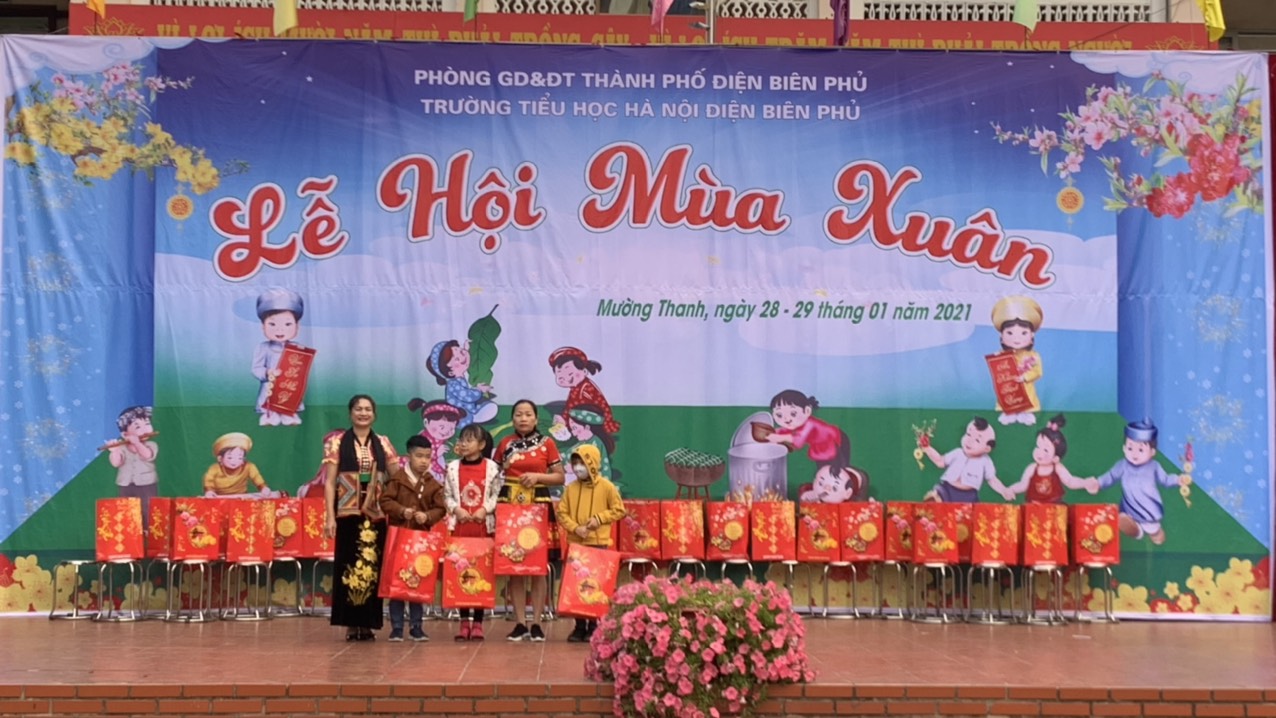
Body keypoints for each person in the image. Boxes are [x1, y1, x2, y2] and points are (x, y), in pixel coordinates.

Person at [322, 394, 398, 642]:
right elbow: (330, 482)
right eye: (358, 409)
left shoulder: (383, 443)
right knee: (348, 563)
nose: (363, 413)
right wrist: (330, 517)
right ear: (350, 413)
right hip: (347, 511)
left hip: (375, 512)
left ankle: (367, 624)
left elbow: (396, 475)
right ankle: (350, 624)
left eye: (368, 409)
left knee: (373, 565)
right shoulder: (337, 442)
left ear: (374, 414)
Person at [494, 400, 565, 642]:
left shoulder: (547, 444)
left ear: (535, 418)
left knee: (537, 566)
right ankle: (519, 623)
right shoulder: (505, 443)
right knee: (514, 565)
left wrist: (537, 477)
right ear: (512, 419)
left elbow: (559, 477)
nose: (523, 418)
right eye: (518, 414)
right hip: (510, 506)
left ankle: (536, 623)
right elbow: (493, 476)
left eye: (527, 414)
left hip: (538, 506)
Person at [380, 434, 447, 642]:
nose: (423, 461)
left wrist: (427, 516)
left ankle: (417, 627)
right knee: (397, 584)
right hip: (399, 538)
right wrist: (401, 511)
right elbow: (385, 501)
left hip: (421, 540)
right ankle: (397, 627)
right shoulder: (397, 480)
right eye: (419, 456)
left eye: (427, 457)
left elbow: (441, 508)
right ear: (408, 456)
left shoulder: (432, 483)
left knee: (418, 581)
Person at [556, 444, 625, 642]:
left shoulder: (607, 487)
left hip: (598, 543)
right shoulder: (571, 488)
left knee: (595, 584)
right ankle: (579, 626)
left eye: (583, 462)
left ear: (593, 463)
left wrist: (599, 519)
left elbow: (619, 509)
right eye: (575, 462)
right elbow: (562, 513)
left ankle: (594, 625)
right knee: (577, 584)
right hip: (576, 545)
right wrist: (575, 528)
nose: (578, 467)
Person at [443, 424, 503, 641]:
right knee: (460, 570)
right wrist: (456, 509)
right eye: (463, 440)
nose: (465, 444)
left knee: (481, 572)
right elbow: (447, 495)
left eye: (470, 440)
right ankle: (463, 622)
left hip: (483, 527)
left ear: (482, 444)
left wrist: (484, 509)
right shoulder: (452, 468)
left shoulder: (492, 468)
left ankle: (478, 622)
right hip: (460, 527)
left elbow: (497, 495)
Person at [1090, 419, 1189, 545]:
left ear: (1152, 452)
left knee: (1152, 527)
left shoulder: (1154, 466)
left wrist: (1177, 480)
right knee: (1126, 519)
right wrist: (1098, 483)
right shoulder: (1122, 465)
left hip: (1149, 505)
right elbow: (1111, 476)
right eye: (1130, 448)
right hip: (1130, 505)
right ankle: (1136, 531)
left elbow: (1165, 480)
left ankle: (1155, 532)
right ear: (1124, 448)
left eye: (1141, 450)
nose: (1134, 454)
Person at [1005, 415, 1099, 503]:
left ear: (1056, 458)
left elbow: (1070, 481)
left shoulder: (1058, 468)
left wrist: (1085, 483)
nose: (1039, 452)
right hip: (1034, 507)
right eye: (1038, 446)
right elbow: (1022, 485)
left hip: (1055, 508)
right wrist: (1011, 489)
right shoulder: (1032, 468)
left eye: (1046, 450)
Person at [920, 417, 1015, 503]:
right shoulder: (957, 453)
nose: (969, 441)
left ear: (987, 448)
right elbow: (940, 461)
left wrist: (1003, 490)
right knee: (937, 496)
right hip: (946, 489)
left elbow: (992, 480)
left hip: (968, 496)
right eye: (968, 434)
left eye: (977, 440)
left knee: (971, 511)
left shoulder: (985, 461)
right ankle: (934, 503)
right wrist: (927, 448)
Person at [252, 288, 306, 427]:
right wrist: (267, 373)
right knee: (270, 407)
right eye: (272, 324)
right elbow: (256, 368)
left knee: (289, 403)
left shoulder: (297, 348)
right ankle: (270, 416)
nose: (280, 329)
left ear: (297, 326)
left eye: (287, 324)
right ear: (263, 326)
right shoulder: (263, 347)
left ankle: (289, 415)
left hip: (288, 387)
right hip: (269, 386)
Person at [991, 295, 1043, 426]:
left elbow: (1038, 372)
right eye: (1010, 333)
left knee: (1027, 397)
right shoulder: (1002, 355)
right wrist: (996, 361)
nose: (1016, 338)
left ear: (1031, 335)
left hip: (1025, 387)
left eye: (1023, 333)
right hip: (1008, 389)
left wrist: (1025, 377)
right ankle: (1009, 413)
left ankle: (1025, 413)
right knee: (1008, 397)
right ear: (1002, 336)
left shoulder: (1033, 356)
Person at [426, 339, 498, 428]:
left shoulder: (459, 379)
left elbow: (465, 358)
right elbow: (466, 396)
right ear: (450, 372)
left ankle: (476, 414)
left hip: (469, 408)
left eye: (460, 351)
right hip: (461, 414)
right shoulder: (453, 384)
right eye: (457, 359)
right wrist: (479, 390)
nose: (463, 355)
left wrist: (465, 349)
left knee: (489, 406)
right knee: (487, 408)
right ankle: (473, 418)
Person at [550, 347, 621, 435]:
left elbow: (578, 410)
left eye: (570, 373)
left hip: (597, 422)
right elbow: (570, 407)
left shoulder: (586, 389)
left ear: (584, 371)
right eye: (559, 375)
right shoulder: (576, 388)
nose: (565, 378)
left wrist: (565, 422)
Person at [107, 405, 158, 520]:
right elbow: (116, 463)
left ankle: (147, 529)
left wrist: (137, 443)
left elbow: (148, 455)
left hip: (147, 484)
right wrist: (114, 451)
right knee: (126, 510)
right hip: (126, 484)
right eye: (138, 427)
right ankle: (131, 530)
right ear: (125, 434)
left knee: (148, 508)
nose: (145, 429)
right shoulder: (122, 448)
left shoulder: (151, 445)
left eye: (147, 424)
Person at [407, 398, 465, 482]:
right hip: (426, 467)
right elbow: (420, 456)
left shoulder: (447, 440)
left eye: (451, 428)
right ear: (426, 422)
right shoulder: (423, 438)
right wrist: (437, 454)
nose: (446, 431)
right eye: (441, 427)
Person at [202, 432, 272, 497]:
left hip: (242, 497)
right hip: (219, 498)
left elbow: (257, 479)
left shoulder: (249, 467)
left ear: (243, 459)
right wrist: (209, 491)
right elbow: (208, 482)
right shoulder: (214, 468)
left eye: (239, 458)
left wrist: (263, 488)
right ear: (220, 458)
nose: (234, 461)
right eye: (230, 457)